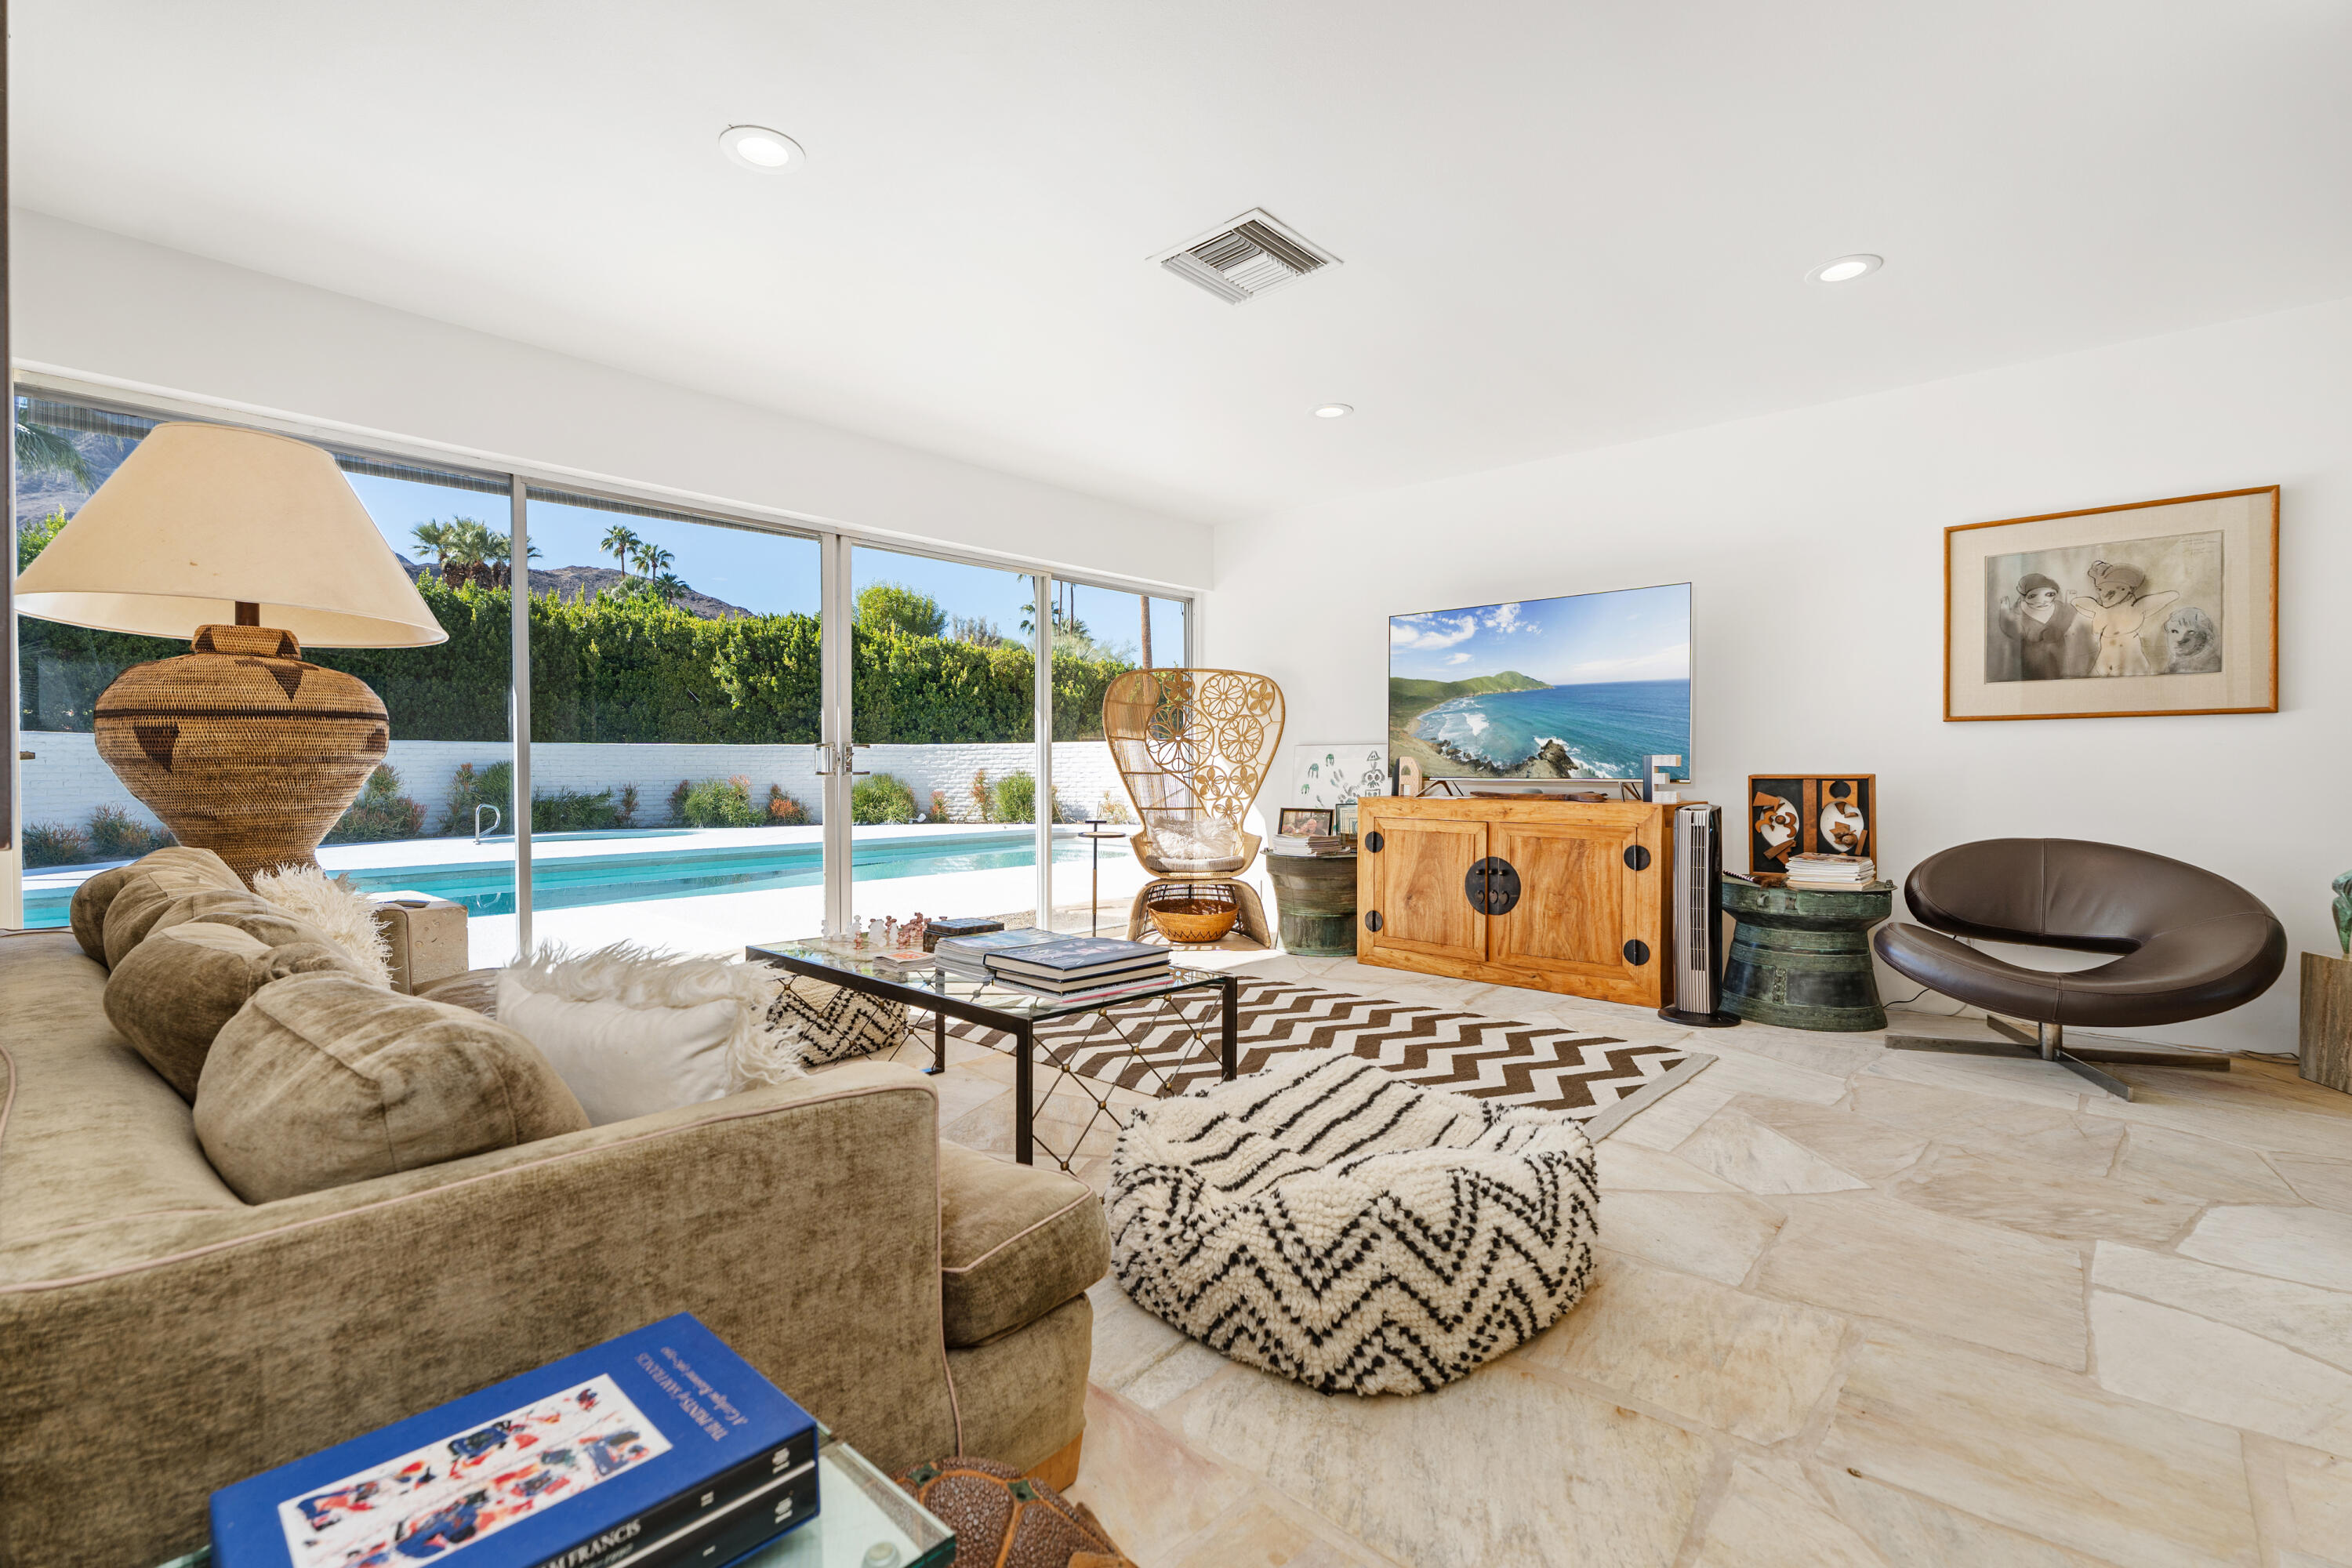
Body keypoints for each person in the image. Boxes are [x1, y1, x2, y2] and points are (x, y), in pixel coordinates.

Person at [2074, 561, 2178, 677]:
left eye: (2120, 589)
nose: (2106, 595)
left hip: (2130, 661)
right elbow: (2077, 602)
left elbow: (2171, 595)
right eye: (2100, 589)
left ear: (2130, 590)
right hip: (2104, 660)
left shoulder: (2137, 608)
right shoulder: (2100, 610)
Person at [1994, 572, 2093, 680]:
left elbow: (2066, 619)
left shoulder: (2058, 608)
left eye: (2049, 595)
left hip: (2058, 661)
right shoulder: (2019, 612)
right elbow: (2012, 631)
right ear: (2024, 597)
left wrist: (2070, 604)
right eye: (2033, 596)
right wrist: (2004, 612)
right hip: (2030, 663)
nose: (2042, 601)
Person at [2164, 604, 2223, 673]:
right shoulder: (2172, 665)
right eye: (2174, 631)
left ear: (2206, 636)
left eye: (2191, 632)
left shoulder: (2212, 667)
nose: (2180, 639)